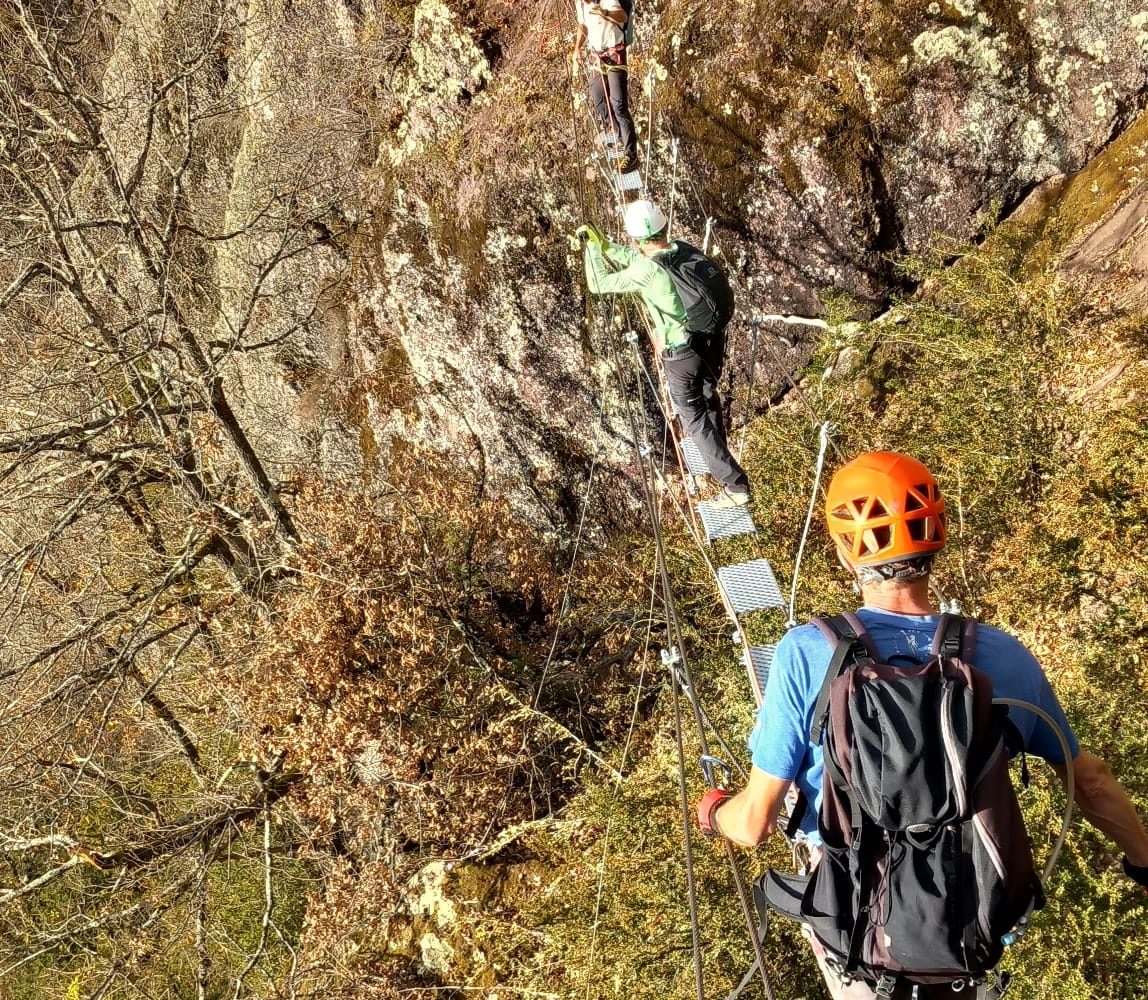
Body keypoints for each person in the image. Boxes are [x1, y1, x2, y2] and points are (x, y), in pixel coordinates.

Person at [696, 451, 1148, 998]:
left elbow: (754, 823)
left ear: (844, 550)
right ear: (938, 534)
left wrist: (715, 811)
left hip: (859, 927)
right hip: (967, 921)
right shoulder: (1000, 657)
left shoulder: (807, 653)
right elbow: (1091, 783)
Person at [578, 200, 751, 508]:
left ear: (635, 237)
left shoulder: (645, 270)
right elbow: (638, 256)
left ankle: (735, 486)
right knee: (708, 399)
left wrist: (591, 248)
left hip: (681, 354)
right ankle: (720, 458)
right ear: (662, 227)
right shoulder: (681, 249)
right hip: (710, 339)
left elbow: (598, 283)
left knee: (693, 418)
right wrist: (606, 245)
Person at [571, 0, 639, 174]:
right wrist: (577, 49)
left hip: (614, 52)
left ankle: (631, 156)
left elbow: (622, 16)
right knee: (601, 103)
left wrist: (605, 13)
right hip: (597, 56)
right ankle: (620, 135)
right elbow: (583, 25)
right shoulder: (580, 3)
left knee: (618, 105)